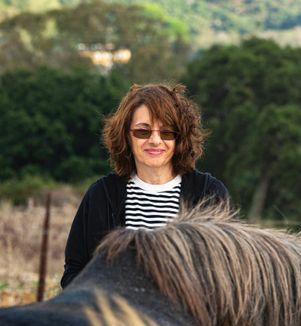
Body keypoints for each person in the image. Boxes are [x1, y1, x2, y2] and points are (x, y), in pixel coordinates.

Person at [61, 83, 228, 288]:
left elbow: (226, 275)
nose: (155, 140)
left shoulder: (209, 194)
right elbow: (74, 270)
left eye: (167, 132)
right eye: (143, 132)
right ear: (126, 136)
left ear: (180, 138)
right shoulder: (101, 195)